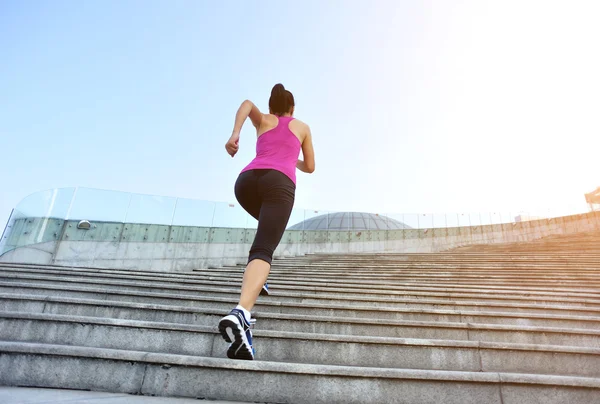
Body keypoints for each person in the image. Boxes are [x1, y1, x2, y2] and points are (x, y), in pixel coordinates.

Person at [218, 83, 315, 360]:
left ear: (271, 107)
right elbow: (310, 166)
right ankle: (241, 314)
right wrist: (290, 158)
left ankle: (258, 281)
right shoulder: (302, 127)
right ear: (292, 108)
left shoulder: (264, 120)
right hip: (278, 183)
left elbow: (247, 103)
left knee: (266, 233)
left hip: (247, 182)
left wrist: (235, 136)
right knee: (263, 248)